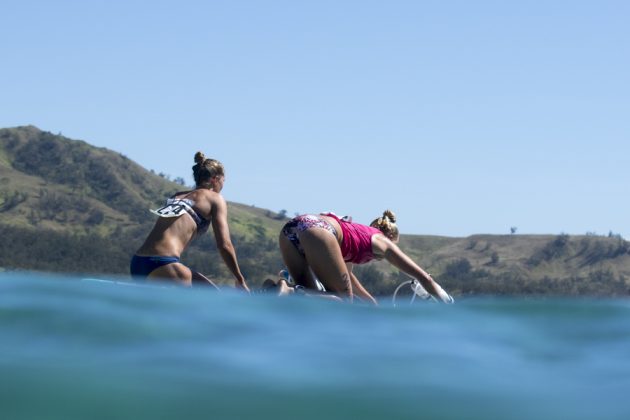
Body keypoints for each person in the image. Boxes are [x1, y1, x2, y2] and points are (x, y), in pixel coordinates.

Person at [130, 152, 250, 292]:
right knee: (214, 301)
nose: (223, 185)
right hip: (164, 263)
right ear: (215, 179)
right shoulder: (215, 198)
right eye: (223, 181)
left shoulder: (177, 196)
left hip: (138, 262)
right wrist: (240, 279)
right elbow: (224, 245)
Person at [279, 210, 454, 304]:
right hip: (318, 228)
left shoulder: (355, 237)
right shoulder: (381, 241)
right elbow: (423, 277)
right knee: (342, 303)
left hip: (291, 229)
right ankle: (290, 290)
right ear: (390, 238)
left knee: (312, 302)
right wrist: (445, 304)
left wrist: (371, 302)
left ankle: (278, 288)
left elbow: (349, 279)